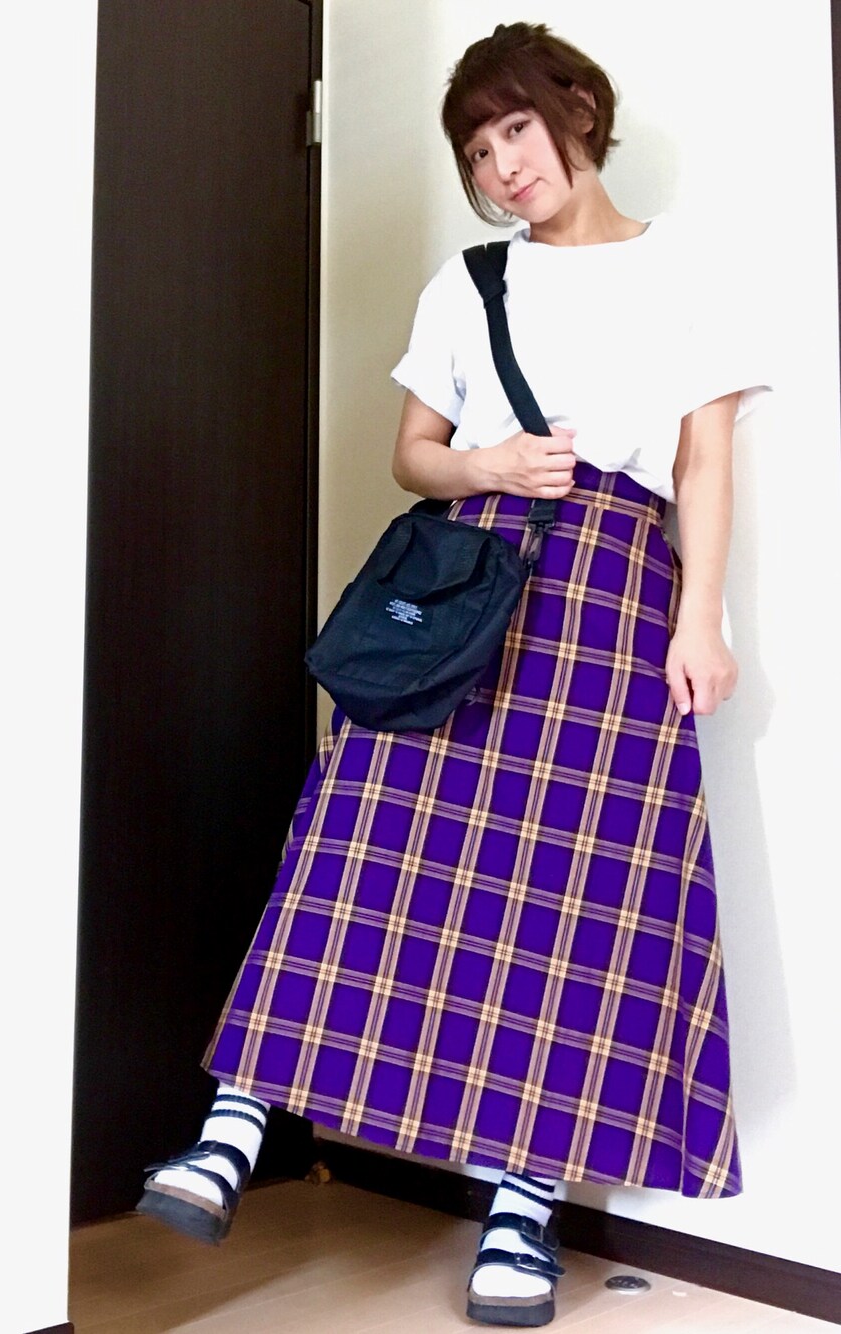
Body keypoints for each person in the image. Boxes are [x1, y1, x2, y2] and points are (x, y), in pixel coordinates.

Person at [137, 21, 768, 1329]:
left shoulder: (689, 270)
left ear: (577, 111)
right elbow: (413, 453)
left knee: (575, 896)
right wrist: (487, 465)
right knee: (361, 837)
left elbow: (704, 461)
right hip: (463, 583)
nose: (501, 165)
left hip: (612, 593)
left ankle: (521, 1209)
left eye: (515, 130)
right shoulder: (469, 282)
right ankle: (235, 1126)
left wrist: (700, 619)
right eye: (478, 151)